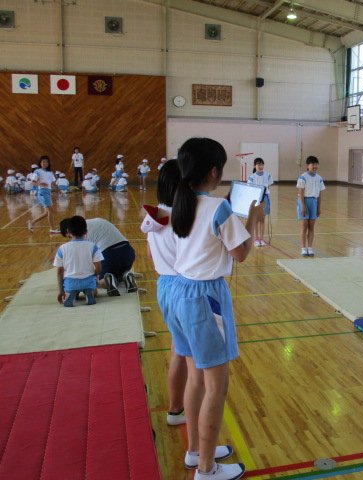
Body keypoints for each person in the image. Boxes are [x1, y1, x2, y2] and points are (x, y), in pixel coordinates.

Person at [170, 137, 263, 480]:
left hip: (181, 292)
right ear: (214, 171)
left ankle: (197, 452)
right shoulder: (218, 209)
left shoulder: (182, 203)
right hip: (205, 300)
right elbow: (240, 253)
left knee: (197, 378)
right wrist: (252, 219)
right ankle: (207, 469)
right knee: (216, 388)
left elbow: (208, 237)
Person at [140, 159, 188, 427]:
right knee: (195, 360)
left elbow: (149, 253)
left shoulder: (154, 216)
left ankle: (175, 409)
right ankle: (192, 416)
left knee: (178, 350)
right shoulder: (181, 220)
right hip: (185, 288)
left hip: (165, 286)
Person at [59, 217, 137, 296]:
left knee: (99, 281)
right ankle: (125, 276)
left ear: (69, 231)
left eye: (69, 237)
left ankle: (109, 280)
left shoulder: (81, 235)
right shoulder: (96, 221)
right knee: (115, 271)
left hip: (109, 255)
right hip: (129, 253)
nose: (70, 239)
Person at [53, 215, 102, 307]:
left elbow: (60, 272)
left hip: (71, 282)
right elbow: (99, 268)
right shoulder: (93, 246)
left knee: (70, 289)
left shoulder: (62, 249)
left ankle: (71, 294)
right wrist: (93, 276)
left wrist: (61, 291)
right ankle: (90, 293)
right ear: (86, 231)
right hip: (88, 280)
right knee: (93, 289)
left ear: (68, 231)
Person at [296, 155, 325, 257]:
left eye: (316, 164)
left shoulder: (319, 178)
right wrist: (303, 206)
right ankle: (303, 248)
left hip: (314, 202)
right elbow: (301, 192)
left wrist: (319, 207)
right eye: (313, 164)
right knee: (304, 226)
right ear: (308, 165)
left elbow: (320, 194)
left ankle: (310, 247)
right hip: (303, 201)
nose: (315, 166)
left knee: (311, 227)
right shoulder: (303, 177)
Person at [28, 156, 60, 234]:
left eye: (46, 162)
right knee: (51, 211)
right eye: (43, 162)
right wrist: (40, 183)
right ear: (40, 163)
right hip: (42, 192)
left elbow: (52, 183)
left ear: (48, 163)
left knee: (47, 212)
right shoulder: (37, 171)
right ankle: (52, 229)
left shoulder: (50, 172)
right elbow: (32, 182)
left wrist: (58, 190)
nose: (44, 163)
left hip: (48, 192)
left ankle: (32, 222)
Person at [247, 157, 273, 247]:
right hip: (256, 198)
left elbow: (268, 186)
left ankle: (261, 239)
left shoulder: (268, 175)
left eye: (262, 164)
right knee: (257, 220)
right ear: (255, 166)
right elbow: (251, 188)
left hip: (265, 198)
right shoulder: (252, 177)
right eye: (258, 164)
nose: (261, 166)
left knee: (262, 219)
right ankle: (256, 239)